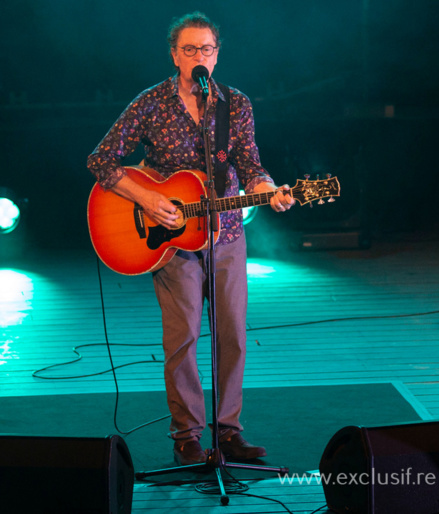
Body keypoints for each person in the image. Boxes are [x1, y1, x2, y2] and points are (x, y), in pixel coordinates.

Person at [87, 12, 295, 466]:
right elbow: (101, 160)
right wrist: (145, 198)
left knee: (232, 335)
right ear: (173, 54)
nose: (198, 57)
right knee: (182, 340)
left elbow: (251, 163)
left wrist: (268, 190)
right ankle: (186, 436)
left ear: (217, 55)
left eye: (206, 50)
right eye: (189, 50)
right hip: (173, 241)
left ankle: (228, 432)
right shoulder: (151, 103)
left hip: (228, 235)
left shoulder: (234, 103)